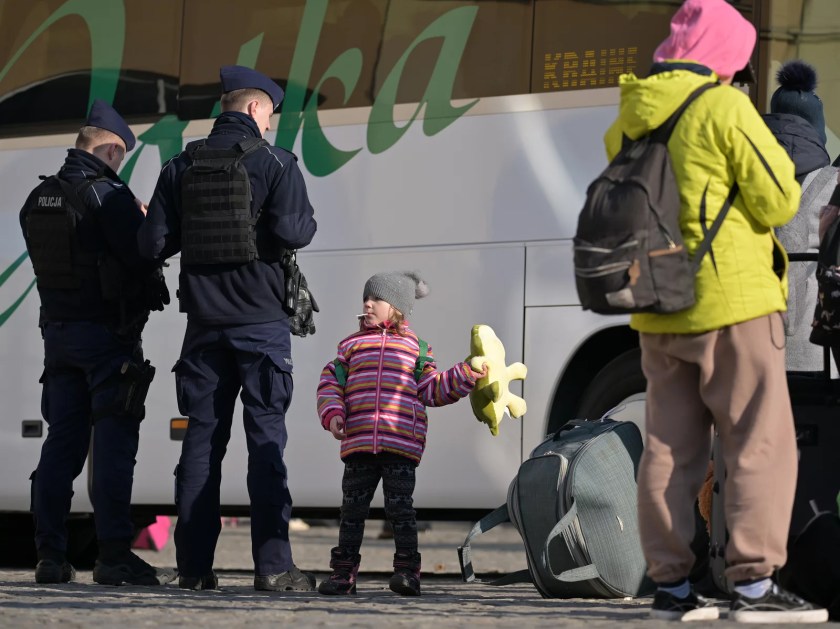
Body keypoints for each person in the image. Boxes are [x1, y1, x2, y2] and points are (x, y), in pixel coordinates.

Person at [604, 0, 828, 622]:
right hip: (732, 303)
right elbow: (779, 198)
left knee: (669, 448)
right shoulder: (725, 108)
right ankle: (754, 584)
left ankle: (671, 586)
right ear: (726, 55)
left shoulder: (631, 116)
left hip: (659, 304)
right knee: (758, 440)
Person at [137, 65, 317, 591]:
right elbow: (294, 232)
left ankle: (193, 569)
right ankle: (273, 568)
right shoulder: (276, 163)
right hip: (260, 326)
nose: (270, 124)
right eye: (270, 115)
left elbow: (152, 245)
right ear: (256, 109)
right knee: (266, 446)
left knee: (200, 447)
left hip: (203, 328)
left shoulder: (179, 165)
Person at [20, 100, 172, 586]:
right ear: (110, 150)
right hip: (108, 339)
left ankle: (49, 555)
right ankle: (113, 556)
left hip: (58, 338)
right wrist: (145, 218)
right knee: (112, 446)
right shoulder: (108, 196)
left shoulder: (37, 197)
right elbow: (143, 254)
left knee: (60, 445)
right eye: (120, 157)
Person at [315, 272, 487, 596]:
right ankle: (343, 573)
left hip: (400, 445)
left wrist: (464, 375)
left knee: (401, 510)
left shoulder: (416, 349)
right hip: (359, 444)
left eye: (376, 299)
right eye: (366, 298)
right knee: (351, 511)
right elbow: (330, 384)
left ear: (397, 308)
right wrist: (333, 413)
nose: (368, 304)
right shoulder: (350, 346)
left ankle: (408, 572)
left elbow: (433, 390)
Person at [762, 60, 838, 372]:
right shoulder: (834, 185)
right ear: (817, 130)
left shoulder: (740, 179)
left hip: (752, 349)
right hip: (818, 353)